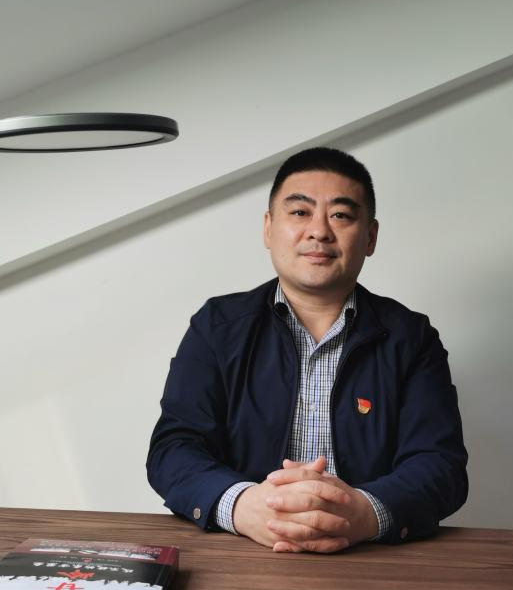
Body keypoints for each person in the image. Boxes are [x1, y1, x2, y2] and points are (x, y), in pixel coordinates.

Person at [146, 147, 468, 552]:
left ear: (370, 237)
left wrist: (363, 514)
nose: (319, 231)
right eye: (300, 212)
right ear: (268, 228)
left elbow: (440, 464)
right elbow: (174, 449)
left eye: (341, 215)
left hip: (368, 557)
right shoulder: (217, 326)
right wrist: (244, 506)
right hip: (241, 550)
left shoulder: (411, 337)